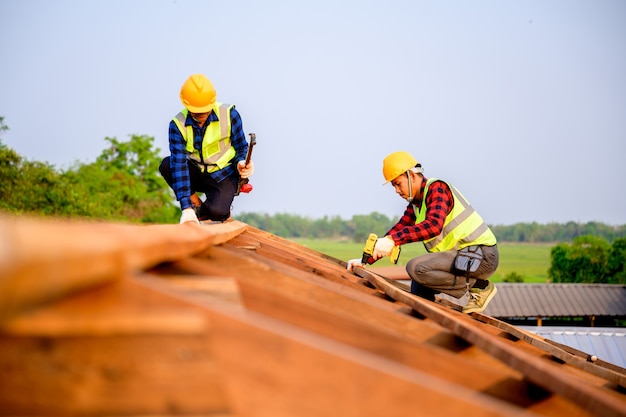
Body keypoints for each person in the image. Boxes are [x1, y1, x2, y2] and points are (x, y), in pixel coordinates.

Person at [348, 151, 499, 314]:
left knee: (416, 267)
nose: (397, 191)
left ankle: (480, 287)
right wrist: (365, 260)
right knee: (418, 290)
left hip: (481, 256)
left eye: (398, 184)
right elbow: (398, 230)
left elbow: (434, 226)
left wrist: (393, 240)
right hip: (462, 259)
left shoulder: (437, 189)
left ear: (411, 176)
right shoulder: (416, 204)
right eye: (394, 186)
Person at [159, 74, 254, 224]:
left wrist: (242, 162)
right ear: (186, 104)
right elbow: (179, 165)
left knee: (217, 213)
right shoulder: (177, 124)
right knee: (167, 165)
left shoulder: (229, 115)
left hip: (224, 174)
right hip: (196, 172)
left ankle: (212, 211)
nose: (201, 114)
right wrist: (187, 208)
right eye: (196, 111)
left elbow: (241, 146)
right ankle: (196, 204)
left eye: (205, 110)